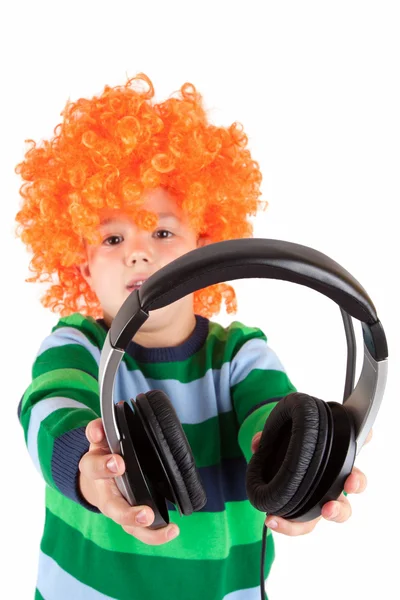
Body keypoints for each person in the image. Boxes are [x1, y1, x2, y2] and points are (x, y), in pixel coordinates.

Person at [15, 73, 370, 600]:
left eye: (162, 231)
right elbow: (49, 404)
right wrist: (86, 465)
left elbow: (271, 421)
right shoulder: (80, 345)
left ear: (204, 251)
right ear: (81, 266)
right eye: (113, 237)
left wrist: (302, 476)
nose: (140, 252)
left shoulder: (240, 356)